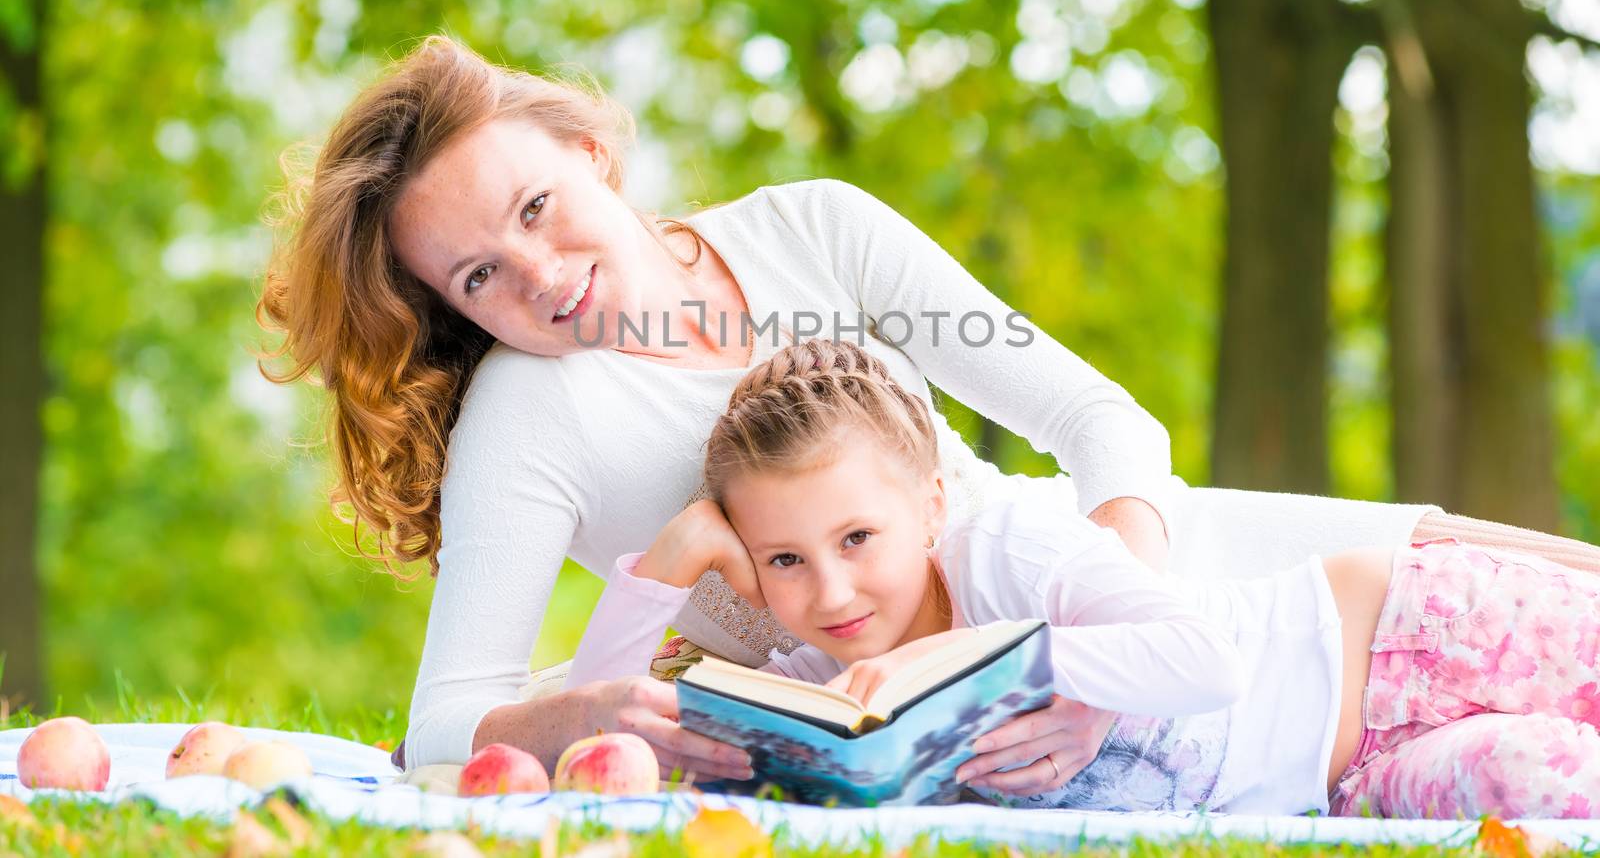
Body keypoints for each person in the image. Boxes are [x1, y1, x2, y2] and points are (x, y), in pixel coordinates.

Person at [257, 35, 1600, 781]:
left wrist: (1087, 657)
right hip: (975, 715)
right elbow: (445, 725)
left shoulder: (813, 234)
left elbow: (1105, 429)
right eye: (481, 277)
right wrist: (581, 709)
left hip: (1122, 582)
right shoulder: (531, 422)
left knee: (1486, 575)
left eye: (538, 208)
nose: (538, 277)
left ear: (593, 154)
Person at [566, 338, 1600, 818]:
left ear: (928, 506)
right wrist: (673, 560)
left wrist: (998, 657)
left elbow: (1204, 660)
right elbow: (612, 745)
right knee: (1557, 790)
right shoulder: (824, 689)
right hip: (1351, 783)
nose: (832, 593)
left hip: (1401, 632)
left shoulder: (1003, 545)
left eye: (856, 539)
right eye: (782, 560)